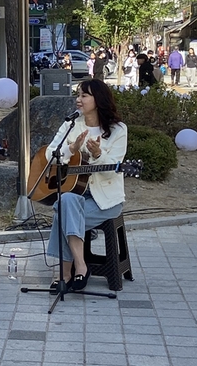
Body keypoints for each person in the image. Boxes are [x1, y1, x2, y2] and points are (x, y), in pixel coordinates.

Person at [46, 79, 127, 291]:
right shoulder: (71, 125)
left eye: (83, 95)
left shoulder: (118, 130)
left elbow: (114, 166)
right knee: (66, 202)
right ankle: (80, 268)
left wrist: (98, 154)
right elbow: (49, 155)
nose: (78, 99)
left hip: (106, 200)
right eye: (77, 94)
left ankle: (63, 274)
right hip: (75, 193)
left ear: (98, 99)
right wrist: (71, 148)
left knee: (61, 212)